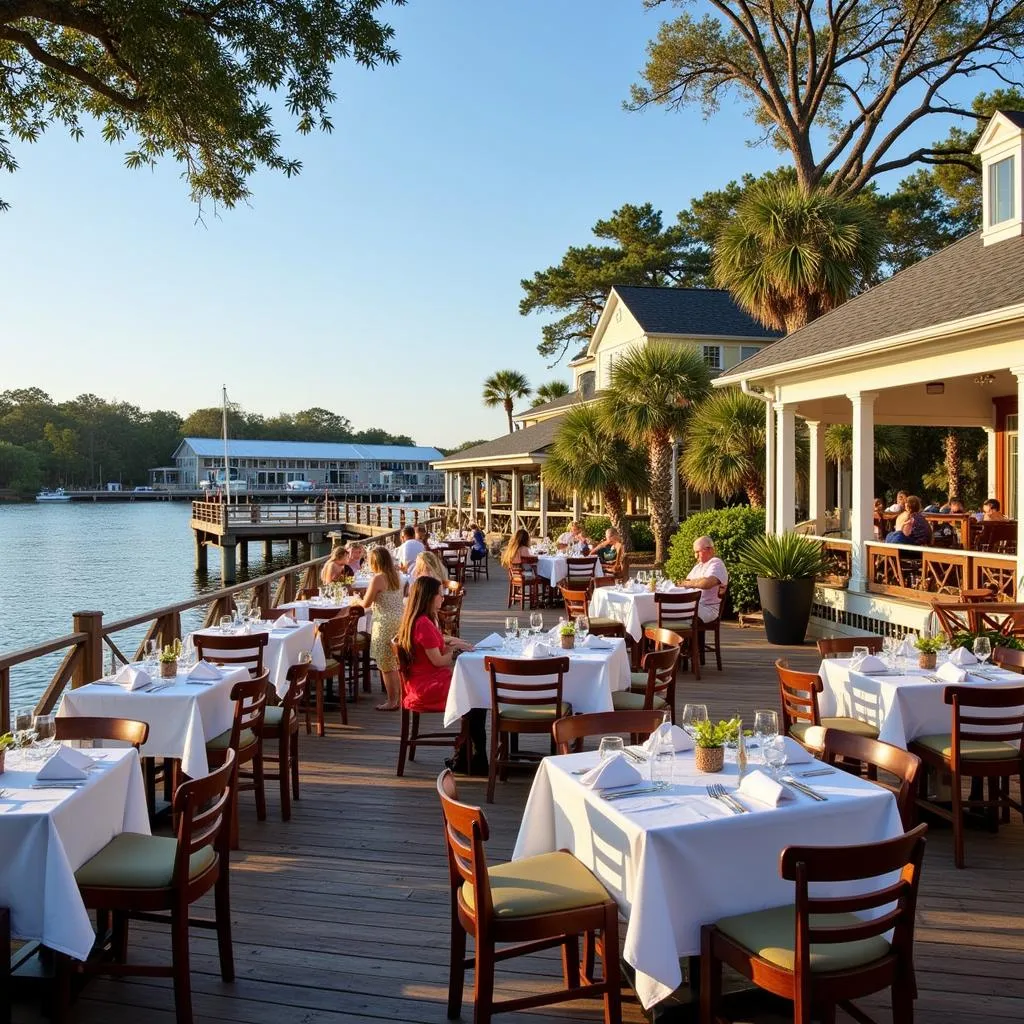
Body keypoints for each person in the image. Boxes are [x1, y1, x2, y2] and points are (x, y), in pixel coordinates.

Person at [396, 577, 485, 774]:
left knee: (476, 692)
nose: (443, 597)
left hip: (427, 679)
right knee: (477, 695)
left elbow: (436, 649)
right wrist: (455, 652)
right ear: (428, 597)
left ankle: (469, 756)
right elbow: (438, 660)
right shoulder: (423, 624)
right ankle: (471, 757)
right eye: (439, 594)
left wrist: (455, 644)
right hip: (426, 686)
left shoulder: (420, 620)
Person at [357, 546, 406, 710]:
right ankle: (398, 698)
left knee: (385, 665)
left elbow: (366, 604)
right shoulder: (397, 576)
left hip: (383, 623)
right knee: (395, 663)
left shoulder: (378, 578)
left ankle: (392, 701)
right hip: (399, 620)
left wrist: (356, 599)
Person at [678, 536, 728, 622]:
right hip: (696, 605)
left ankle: (683, 634)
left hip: (707, 609)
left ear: (709, 550)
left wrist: (689, 583)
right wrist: (692, 583)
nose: (695, 556)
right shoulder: (698, 566)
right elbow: (684, 584)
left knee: (672, 611)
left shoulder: (716, 563)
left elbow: (706, 584)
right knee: (666, 608)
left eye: (698, 552)